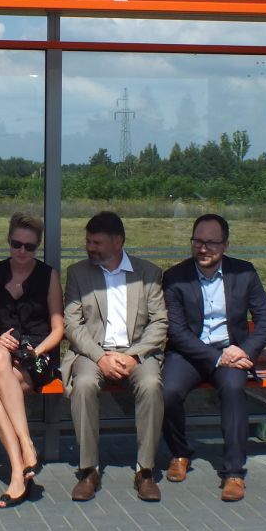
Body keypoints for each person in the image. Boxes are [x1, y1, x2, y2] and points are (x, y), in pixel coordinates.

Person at [161, 213, 266, 503]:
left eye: (211, 243)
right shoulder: (175, 277)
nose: (203, 249)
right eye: (198, 241)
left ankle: (234, 472)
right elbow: (177, 331)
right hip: (189, 354)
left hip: (232, 352)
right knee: (167, 392)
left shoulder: (244, 273)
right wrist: (217, 357)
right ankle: (180, 453)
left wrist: (244, 351)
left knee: (234, 389)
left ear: (225, 244)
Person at [62, 211, 168, 502]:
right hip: (92, 352)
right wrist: (101, 358)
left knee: (151, 385)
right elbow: (72, 324)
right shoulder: (78, 273)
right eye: (88, 241)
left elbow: (160, 322)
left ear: (118, 242)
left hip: (137, 353)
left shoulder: (148, 273)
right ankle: (88, 470)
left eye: (96, 242)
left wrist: (133, 356)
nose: (89, 247)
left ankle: (145, 470)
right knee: (84, 385)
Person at [0, 212, 63, 508]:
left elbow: (58, 329)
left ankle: (18, 471)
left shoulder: (48, 276)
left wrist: (36, 352)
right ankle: (27, 443)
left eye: (29, 247)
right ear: (8, 242)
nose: (22, 252)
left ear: (37, 247)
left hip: (35, 357)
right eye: (16, 244)